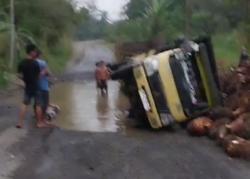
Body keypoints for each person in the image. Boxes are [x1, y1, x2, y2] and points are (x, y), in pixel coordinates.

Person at [16, 44, 52, 128]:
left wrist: (24, 79)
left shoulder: (21, 63)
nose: (35, 53)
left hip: (27, 87)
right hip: (36, 87)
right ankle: (39, 123)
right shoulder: (35, 63)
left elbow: (19, 75)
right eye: (34, 51)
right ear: (31, 52)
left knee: (24, 104)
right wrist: (43, 73)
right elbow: (38, 76)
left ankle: (20, 123)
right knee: (38, 105)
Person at [36, 50, 51, 120]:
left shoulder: (32, 62)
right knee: (45, 102)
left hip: (36, 86)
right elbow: (48, 73)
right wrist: (47, 73)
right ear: (39, 55)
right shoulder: (42, 63)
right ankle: (43, 117)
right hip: (44, 86)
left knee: (37, 103)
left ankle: (37, 116)